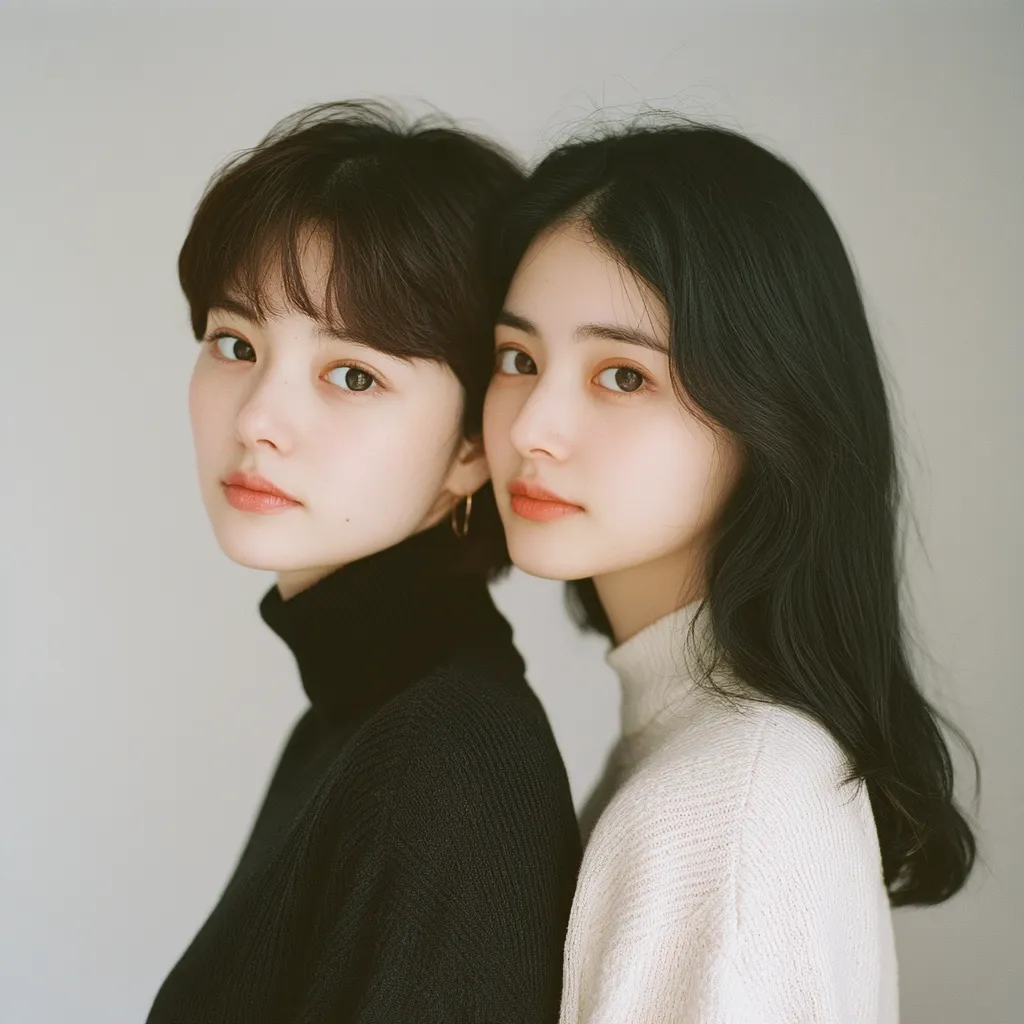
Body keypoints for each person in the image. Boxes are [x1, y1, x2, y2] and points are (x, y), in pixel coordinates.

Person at [483, 119, 977, 1023]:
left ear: (770, 412)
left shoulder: (726, 808)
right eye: (517, 359)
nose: (529, 428)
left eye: (622, 376)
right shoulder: (717, 763)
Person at [147, 101, 581, 1024]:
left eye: (353, 375)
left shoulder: (448, 768)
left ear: (474, 444)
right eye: (236, 343)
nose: (258, 416)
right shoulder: (361, 718)